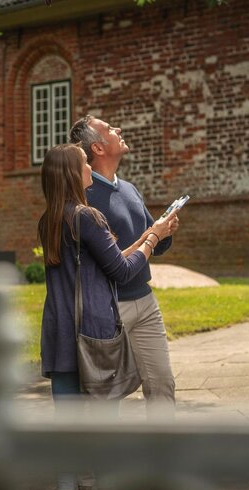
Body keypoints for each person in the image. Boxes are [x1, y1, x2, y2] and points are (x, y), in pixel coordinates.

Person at [38, 143, 177, 490]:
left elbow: (105, 260)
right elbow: (121, 270)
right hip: (93, 332)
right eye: (85, 163)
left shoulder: (49, 220)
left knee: (66, 422)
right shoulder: (88, 217)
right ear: (73, 174)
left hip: (60, 333)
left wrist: (145, 237)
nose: (89, 167)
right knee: (104, 419)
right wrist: (154, 239)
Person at [69, 115, 180, 420]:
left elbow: (153, 244)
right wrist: (153, 236)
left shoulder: (129, 189)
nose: (118, 129)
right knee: (106, 397)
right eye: (109, 129)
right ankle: (104, 450)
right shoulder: (85, 198)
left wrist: (164, 232)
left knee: (162, 384)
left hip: (145, 302)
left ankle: (165, 447)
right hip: (109, 309)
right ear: (98, 148)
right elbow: (110, 262)